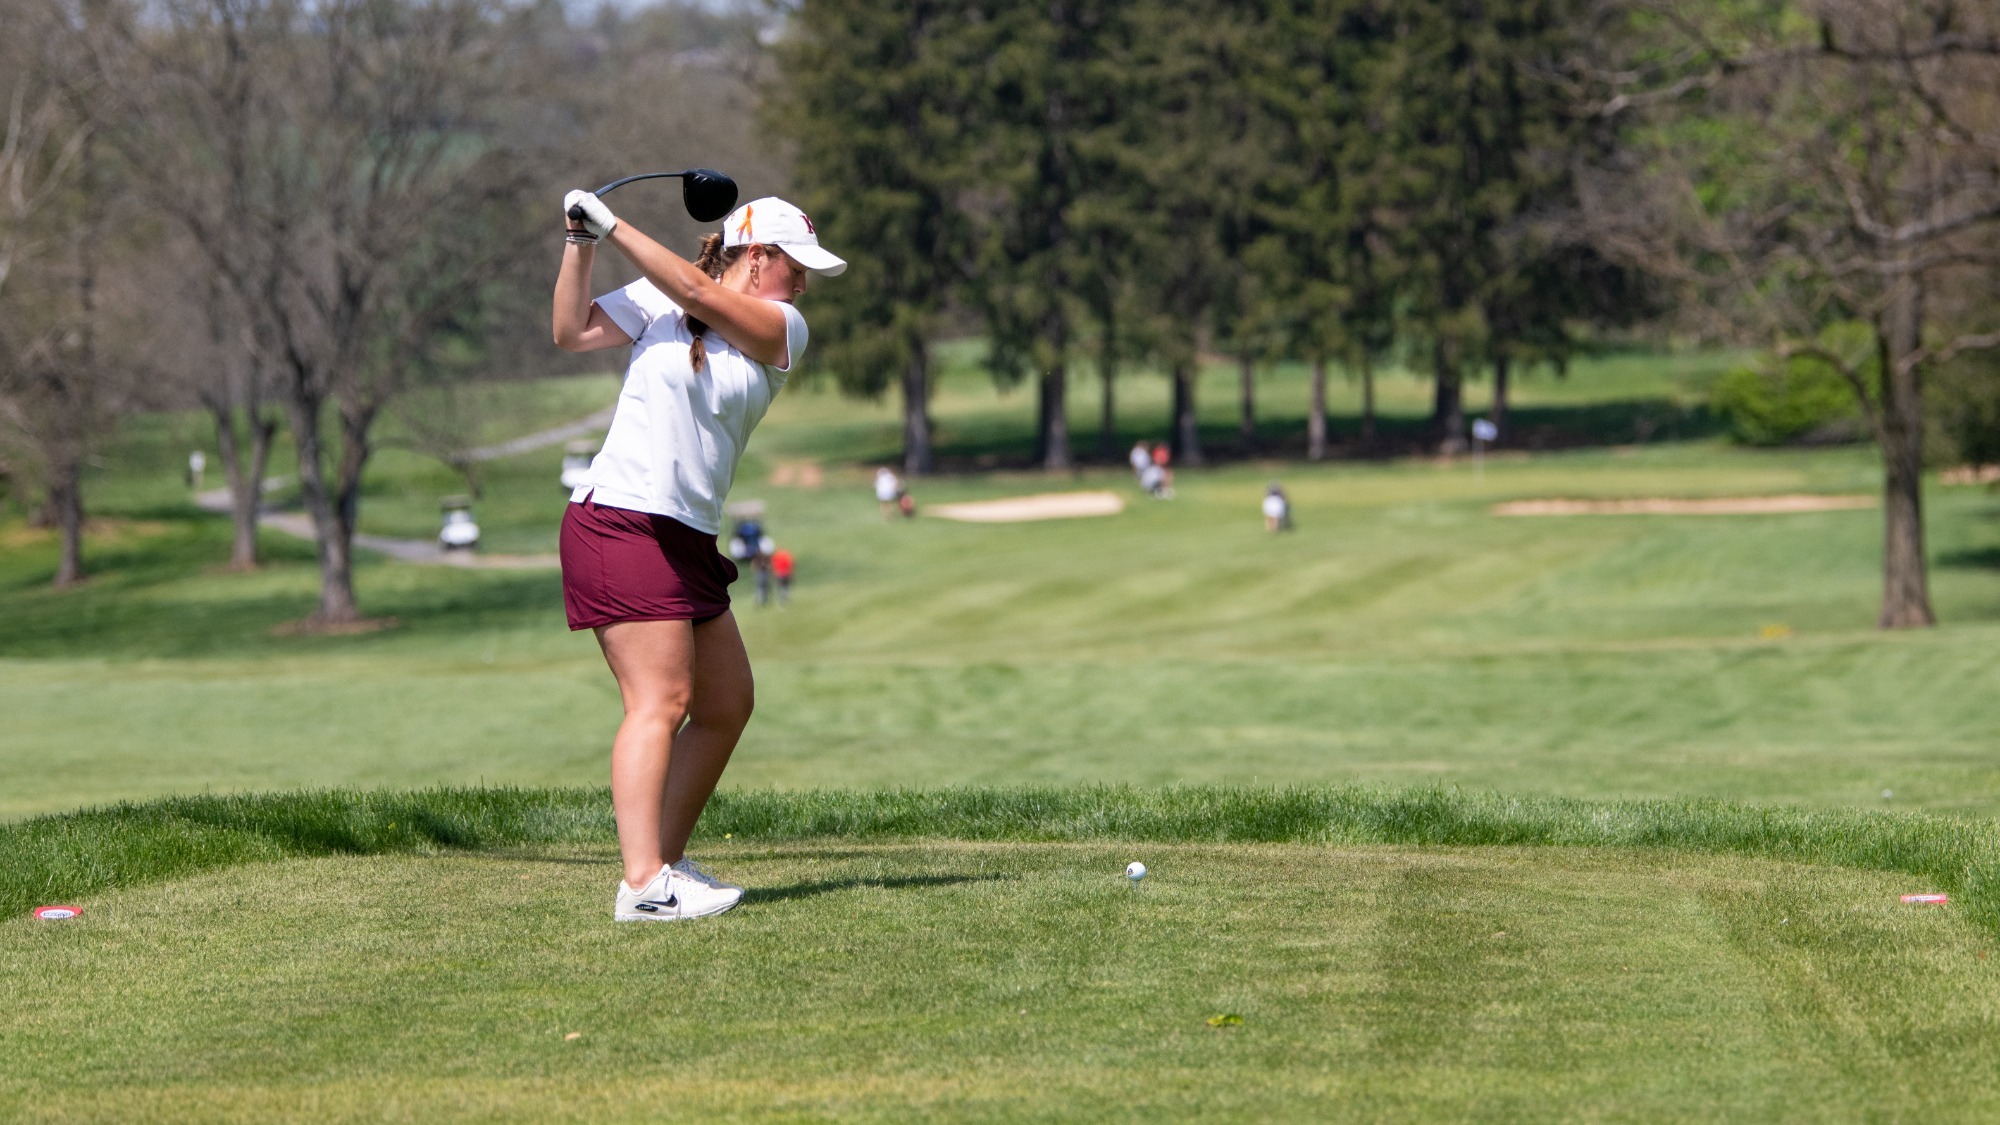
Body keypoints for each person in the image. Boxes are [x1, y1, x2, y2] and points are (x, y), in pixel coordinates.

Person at [552, 187, 846, 921]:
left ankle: (665, 861)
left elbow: (692, 287)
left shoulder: (785, 327)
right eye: (796, 265)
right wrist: (580, 243)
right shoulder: (662, 293)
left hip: (684, 532)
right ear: (760, 256)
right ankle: (644, 885)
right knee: (662, 699)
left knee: (726, 702)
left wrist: (613, 222)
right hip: (622, 519)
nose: (805, 283)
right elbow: (570, 331)